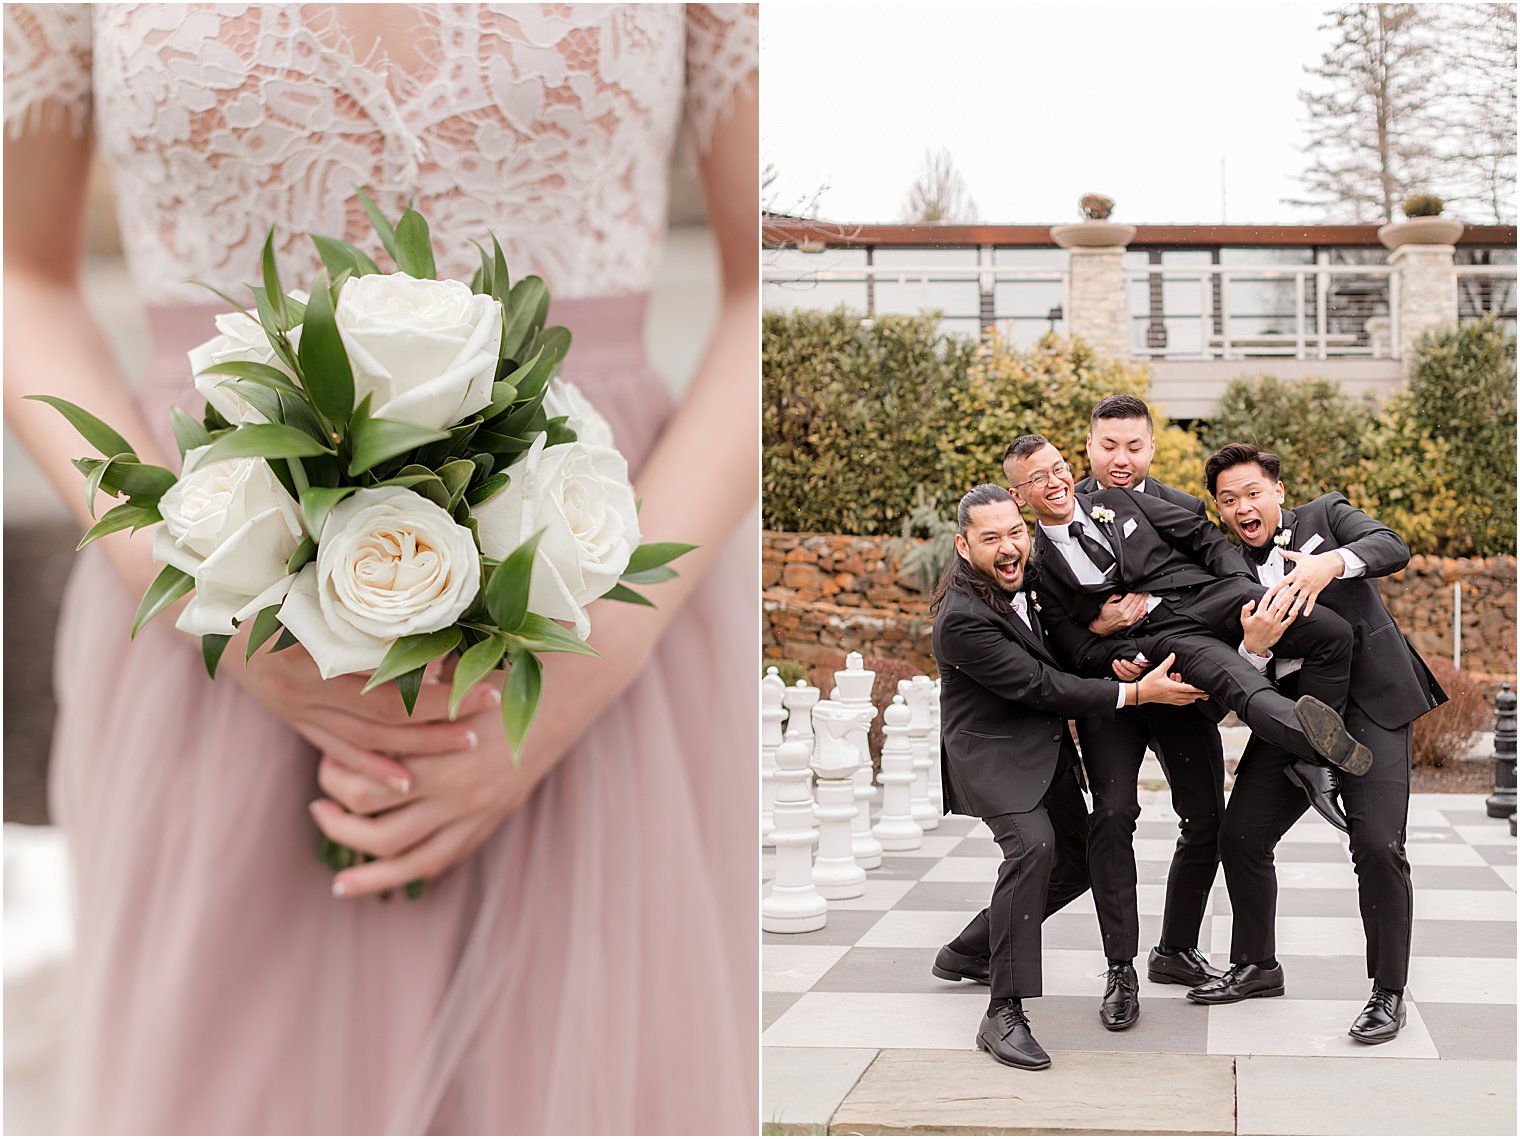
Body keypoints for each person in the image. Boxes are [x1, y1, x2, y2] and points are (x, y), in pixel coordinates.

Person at [3, 5, 758, 1133]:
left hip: (598, 603)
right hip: (214, 618)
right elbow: (21, 276)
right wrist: (191, 587)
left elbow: (771, 288)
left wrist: (602, 647)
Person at [930, 483, 1206, 1070]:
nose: (1008, 547)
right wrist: (1137, 692)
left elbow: (1067, 631)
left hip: (1045, 749)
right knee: (1034, 848)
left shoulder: (1025, 578)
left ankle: (968, 951)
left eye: (1014, 532)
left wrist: (1103, 629)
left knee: (1078, 860)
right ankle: (1003, 1012)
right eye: (990, 538)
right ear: (962, 545)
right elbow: (1042, 685)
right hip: (994, 757)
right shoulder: (963, 619)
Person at [1190, 443, 1445, 1042]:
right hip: (1293, 716)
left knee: (1378, 845)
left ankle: (1387, 992)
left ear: (1278, 491)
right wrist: (1252, 645)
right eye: (1229, 500)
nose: (1243, 507)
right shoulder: (1221, 564)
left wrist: (1330, 564)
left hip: (1372, 708)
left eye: (1253, 492)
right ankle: (1256, 965)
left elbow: (1392, 546)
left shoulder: (1326, 517)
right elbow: (1219, 652)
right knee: (1240, 836)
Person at [1003, 434, 1367, 781]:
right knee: (1236, 680)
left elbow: (1199, 533)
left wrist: (1241, 583)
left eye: (1059, 468)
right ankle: (1316, 745)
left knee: (1332, 632)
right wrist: (1116, 653)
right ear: (1017, 496)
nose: (1055, 481)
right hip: (1161, 638)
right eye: (1038, 478)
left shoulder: (1116, 501)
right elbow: (1078, 651)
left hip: (1209, 596)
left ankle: (1318, 754)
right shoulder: (1040, 571)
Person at [1057, 393, 1229, 1029]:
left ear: (1153, 447)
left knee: (1208, 817)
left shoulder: (1182, 508)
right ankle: (1120, 967)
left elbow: (1207, 590)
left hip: (1178, 687)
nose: (1120, 458)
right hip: (1112, 696)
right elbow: (1050, 622)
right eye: (1108, 445)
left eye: (1134, 446)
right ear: (1088, 445)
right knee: (1112, 816)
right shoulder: (1057, 513)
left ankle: (1176, 950)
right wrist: (1106, 652)